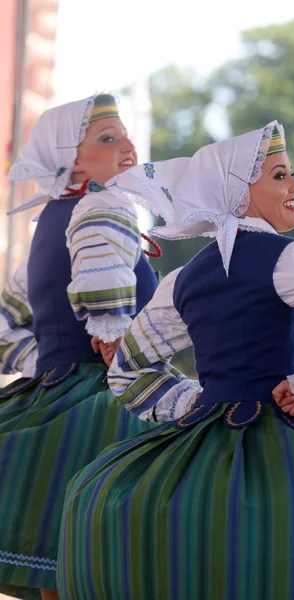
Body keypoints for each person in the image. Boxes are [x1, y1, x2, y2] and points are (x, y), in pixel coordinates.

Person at [57, 122, 294, 600]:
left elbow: (129, 371)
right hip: (278, 436)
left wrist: (193, 404)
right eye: (280, 175)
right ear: (239, 193)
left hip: (200, 438)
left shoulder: (183, 278)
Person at [0, 94, 160, 600]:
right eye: (108, 139)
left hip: (53, 392)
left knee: (57, 574)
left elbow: (5, 327)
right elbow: (103, 283)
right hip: (106, 397)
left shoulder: (48, 221)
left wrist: (48, 360)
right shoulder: (103, 205)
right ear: (71, 156)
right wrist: (113, 338)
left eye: (125, 135)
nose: (129, 148)